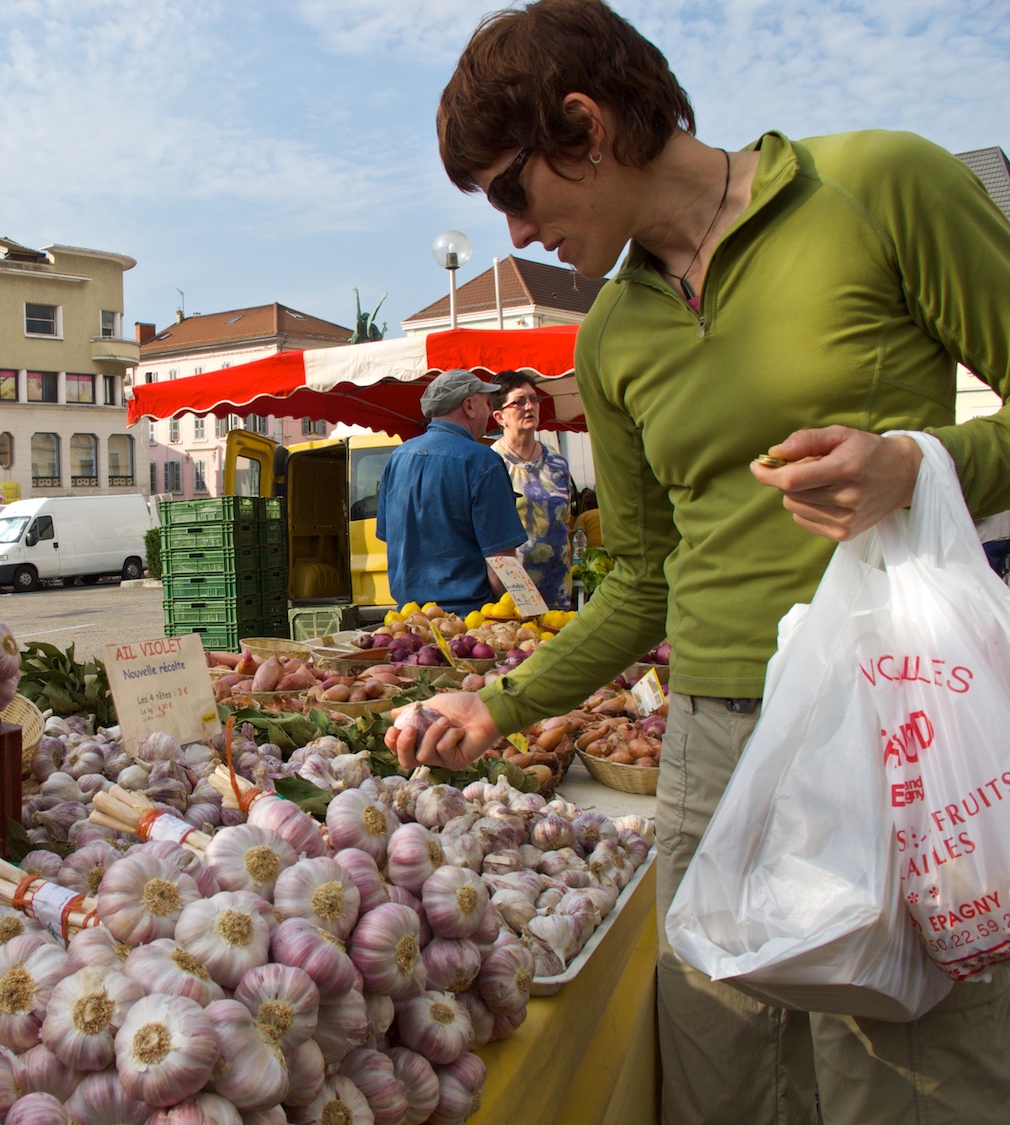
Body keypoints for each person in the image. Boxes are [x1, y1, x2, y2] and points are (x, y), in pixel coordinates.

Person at [389, 2, 1010, 1122]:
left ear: (584, 124)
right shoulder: (611, 336)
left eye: (510, 190)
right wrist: (503, 703)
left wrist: (920, 465)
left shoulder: (881, 186)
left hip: (891, 726)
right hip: (709, 743)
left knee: (906, 1073)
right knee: (723, 1080)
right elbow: (641, 577)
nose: (516, 233)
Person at [375, 369, 527, 616]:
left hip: (407, 621)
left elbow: (390, 538)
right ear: (469, 406)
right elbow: (502, 562)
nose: (489, 412)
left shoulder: (397, 457)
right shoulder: (483, 462)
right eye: (486, 403)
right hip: (468, 622)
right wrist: (525, 611)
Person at [489, 368, 575, 608]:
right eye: (518, 402)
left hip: (558, 590)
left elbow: (565, 523)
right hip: (511, 595)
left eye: (533, 399)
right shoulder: (491, 465)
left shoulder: (558, 463)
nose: (529, 406)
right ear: (500, 417)